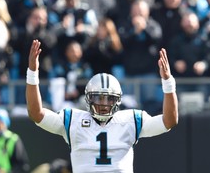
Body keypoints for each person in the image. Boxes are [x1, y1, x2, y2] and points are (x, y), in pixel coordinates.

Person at [26, 39, 178, 173]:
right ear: (88, 98)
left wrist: (168, 82)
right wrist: (32, 73)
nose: (104, 104)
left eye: (109, 99)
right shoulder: (72, 120)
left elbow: (169, 121)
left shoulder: (131, 120)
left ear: (117, 100)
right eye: (99, 98)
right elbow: (36, 113)